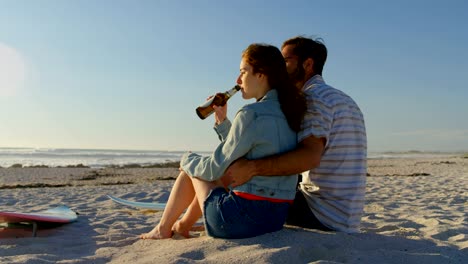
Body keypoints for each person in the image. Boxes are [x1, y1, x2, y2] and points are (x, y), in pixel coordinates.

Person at [140, 43, 307, 239]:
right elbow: (242, 149)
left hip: (239, 220)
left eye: (243, 72)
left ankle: (162, 229)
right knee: (212, 171)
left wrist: (186, 160)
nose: (238, 80)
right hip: (275, 219)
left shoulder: (251, 114)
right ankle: (182, 226)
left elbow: (214, 168)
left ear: (261, 75)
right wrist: (222, 121)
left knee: (194, 168)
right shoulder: (291, 111)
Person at [221, 36, 367, 233]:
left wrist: (252, 168)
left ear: (308, 64)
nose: (279, 68)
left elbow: (310, 157)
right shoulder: (343, 98)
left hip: (321, 215)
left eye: (285, 62)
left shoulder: (313, 98)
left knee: (238, 177)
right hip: (346, 216)